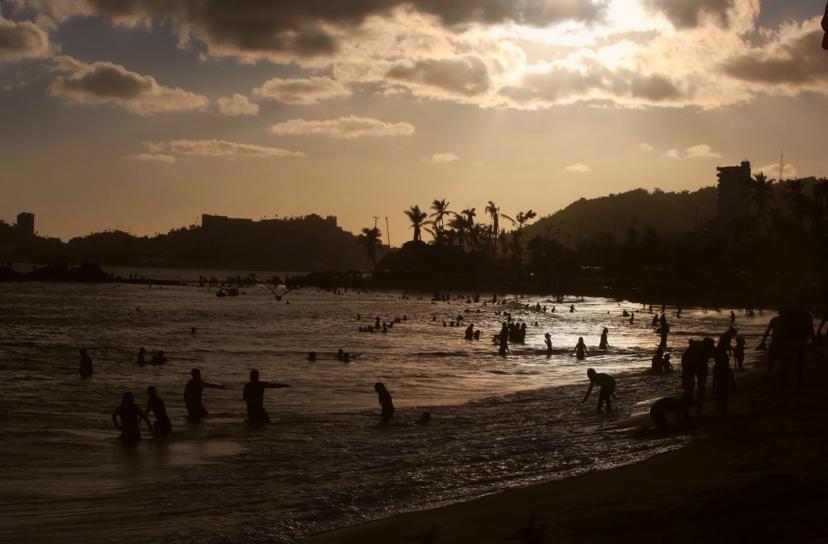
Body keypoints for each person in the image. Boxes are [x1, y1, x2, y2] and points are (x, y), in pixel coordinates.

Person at [681, 337, 716, 418]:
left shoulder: (697, 345)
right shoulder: (704, 347)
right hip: (693, 366)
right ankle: (696, 412)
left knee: (690, 389)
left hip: (689, 365)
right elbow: (713, 354)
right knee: (698, 389)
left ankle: (688, 412)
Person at [712, 350, 736, 416]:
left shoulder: (718, 369)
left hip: (721, 385)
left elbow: (714, 379)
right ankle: (721, 410)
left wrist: (713, 386)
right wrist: (734, 386)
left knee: (721, 398)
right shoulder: (725, 369)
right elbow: (732, 379)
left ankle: (720, 410)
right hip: (722, 385)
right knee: (722, 398)